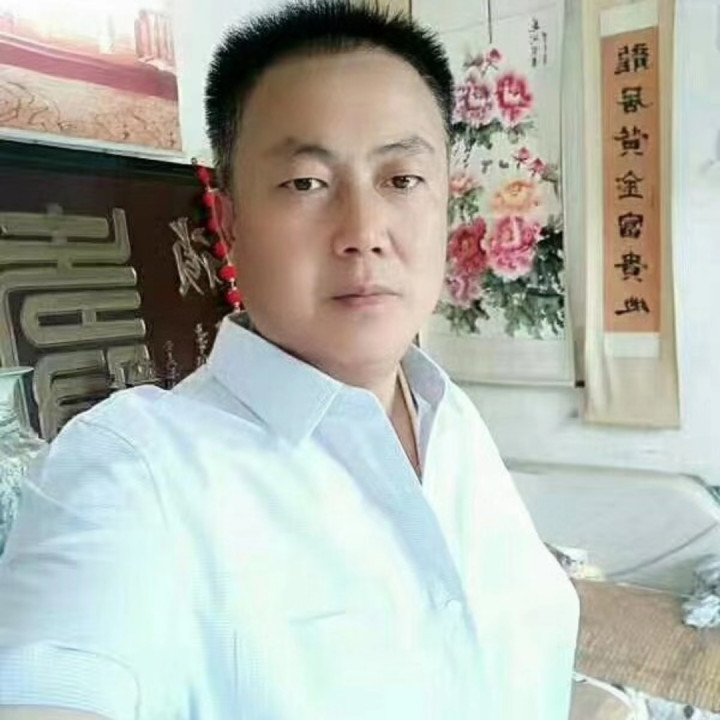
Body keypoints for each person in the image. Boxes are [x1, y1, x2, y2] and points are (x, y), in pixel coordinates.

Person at [0, 2, 579, 719]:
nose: (364, 232)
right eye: (307, 183)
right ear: (230, 222)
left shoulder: (449, 418)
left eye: (401, 179)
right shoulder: (133, 471)